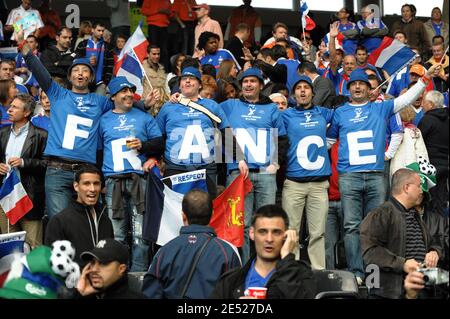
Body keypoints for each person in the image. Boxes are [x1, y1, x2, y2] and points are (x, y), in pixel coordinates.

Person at [17, 30, 156, 219]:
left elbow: (121, 102)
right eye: (76, 70)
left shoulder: (99, 101)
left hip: (86, 172)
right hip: (57, 170)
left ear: (91, 78)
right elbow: (41, 73)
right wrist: (26, 52)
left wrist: (144, 104)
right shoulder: (57, 94)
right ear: (70, 76)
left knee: (89, 222)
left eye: (85, 71)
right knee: (60, 223)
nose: (80, 74)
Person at [327, 64, 442, 283]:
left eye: (362, 83)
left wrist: (425, 78)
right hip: (349, 176)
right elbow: (328, 141)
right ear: (348, 88)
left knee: (377, 228)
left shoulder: (381, 108)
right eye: (354, 84)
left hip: (375, 176)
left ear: (370, 89)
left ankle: (373, 274)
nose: (358, 87)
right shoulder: (340, 112)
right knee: (351, 225)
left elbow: (407, 99)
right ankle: (356, 273)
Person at [220, 68, 287, 263]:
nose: (249, 84)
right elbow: (213, 119)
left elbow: (282, 139)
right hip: (238, 174)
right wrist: (178, 98)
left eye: (253, 81)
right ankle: (245, 268)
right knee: (241, 224)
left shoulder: (272, 108)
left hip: (266, 174)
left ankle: (266, 267)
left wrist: (276, 163)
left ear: (260, 85)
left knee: (267, 223)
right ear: (240, 86)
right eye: (245, 81)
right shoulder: (229, 105)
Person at [100, 77, 164, 272]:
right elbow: (97, 151)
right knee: (117, 236)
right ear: (113, 96)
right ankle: (117, 279)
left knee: (140, 237)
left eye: (130, 91)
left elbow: (160, 143)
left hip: (140, 182)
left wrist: (148, 152)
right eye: (123, 91)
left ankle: (139, 279)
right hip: (113, 182)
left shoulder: (144, 117)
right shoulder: (103, 120)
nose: (128, 94)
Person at [142, 189, 241, 298]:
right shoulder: (227, 251)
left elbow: (150, 293)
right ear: (212, 214)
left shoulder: (164, 251)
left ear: (183, 215)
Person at [360, 168, 442, 299]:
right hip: (388, 293)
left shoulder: (415, 215)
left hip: (418, 290)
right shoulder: (381, 214)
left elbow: (433, 242)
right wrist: (402, 264)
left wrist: (434, 251)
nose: (422, 191)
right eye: (419, 186)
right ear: (407, 187)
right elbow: (370, 251)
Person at [155, 67, 234, 199]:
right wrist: (154, 159)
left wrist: (240, 161)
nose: (187, 82)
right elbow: (158, 137)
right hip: (175, 168)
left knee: (207, 211)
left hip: (206, 168)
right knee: (175, 213)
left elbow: (226, 133)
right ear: (179, 85)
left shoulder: (212, 105)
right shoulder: (168, 107)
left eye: (192, 79)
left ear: (200, 85)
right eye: (184, 79)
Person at [281, 76, 333, 269]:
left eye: (306, 87)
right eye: (298, 88)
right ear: (294, 94)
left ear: (312, 92)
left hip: (319, 185)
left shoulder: (324, 113)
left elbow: (343, 114)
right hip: (294, 183)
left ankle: (318, 271)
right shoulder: (285, 115)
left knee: (318, 232)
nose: (302, 91)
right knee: (291, 230)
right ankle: (291, 271)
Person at [210, 205, 316, 299]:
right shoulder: (231, 280)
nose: (269, 239)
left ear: (286, 236)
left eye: (276, 232)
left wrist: (287, 258)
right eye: (263, 232)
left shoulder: (301, 275)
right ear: (251, 233)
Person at [0, 94, 47, 248]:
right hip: (5, 195)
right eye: (10, 106)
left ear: (26, 113)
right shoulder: (2, 132)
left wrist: (24, 162)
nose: (9, 110)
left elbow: (47, 164)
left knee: (33, 246)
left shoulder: (41, 135)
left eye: (14, 107)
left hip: (29, 196)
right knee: (8, 247)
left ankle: (35, 274)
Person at [44, 165, 114, 266]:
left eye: (96, 184)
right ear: (76, 186)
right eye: (86, 184)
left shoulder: (106, 220)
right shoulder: (59, 221)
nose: (92, 189)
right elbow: (54, 263)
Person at [76, 238, 147, 299]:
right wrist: (80, 294)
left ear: (121, 269)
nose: (94, 269)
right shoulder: (86, 295)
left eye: (103, 263)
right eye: (92, 262)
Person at [418, 90, 449, 216]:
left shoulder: (427, 120)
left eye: (424, 102)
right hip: (445, 166)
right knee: (441, 201)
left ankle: (430, 232)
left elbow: (418, 142)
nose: (421, 105)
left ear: (430, 105)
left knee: (428, 202)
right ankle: (442, 232)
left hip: (429, 167)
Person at [75, 21, 115, 94]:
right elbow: (75, 61)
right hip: (84, 82)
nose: (101, 33)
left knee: (99, 105)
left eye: (102, 31)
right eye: (99, 30)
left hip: (100, 83)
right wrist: (87, 60)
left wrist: (105, 82)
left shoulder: (108, 47)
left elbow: (110, 66)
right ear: (92, 30)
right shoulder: (82, 44)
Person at [141, 0, 172, 70]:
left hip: (165, 26)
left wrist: (167, 12)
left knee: (164, 50)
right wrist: (157, 10)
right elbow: (143, 11)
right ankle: (152, 68)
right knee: (153, 49)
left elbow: (171, 13)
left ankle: (164, 70)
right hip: (153, 26)